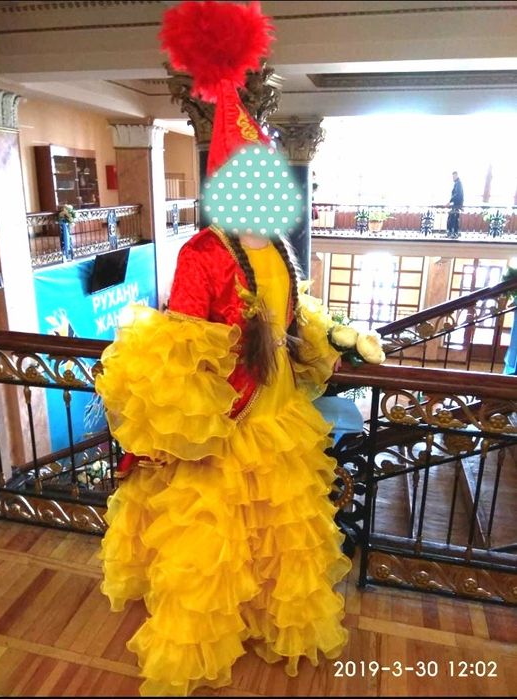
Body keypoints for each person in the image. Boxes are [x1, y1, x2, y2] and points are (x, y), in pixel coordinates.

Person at [94, 2, 351, 696]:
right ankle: (204, 643)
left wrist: (328, 338)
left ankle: (262, 621)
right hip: (227, 421)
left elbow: (293, 319)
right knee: (213, 538)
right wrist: (191, 413)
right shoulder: (203, 253)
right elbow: (180, 344)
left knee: (274, 531)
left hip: (276, 415)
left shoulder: (283, 253)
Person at [446, 170, 464, 238]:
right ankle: (453, 233)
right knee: (454, 219)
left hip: (456, 205)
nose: (453, 178)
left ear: (456, 176)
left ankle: (452, 233)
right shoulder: (457, 183)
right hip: (457, 204)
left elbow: (457, 194)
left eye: (454, 176)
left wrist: (450, 201)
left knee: (452, 219)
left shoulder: (458, 183)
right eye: (452, 177)